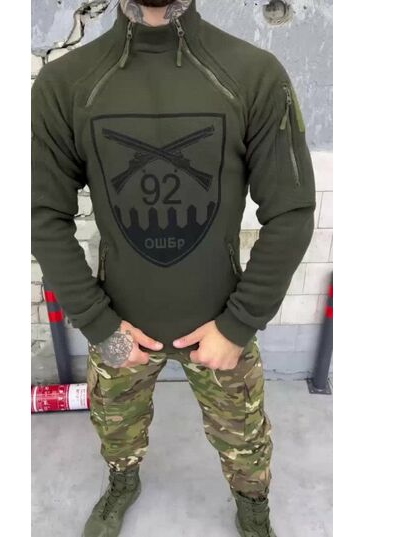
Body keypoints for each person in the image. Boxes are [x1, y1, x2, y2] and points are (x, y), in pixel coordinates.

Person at [31, 0, 316, 535]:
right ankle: (123, 482)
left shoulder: (254, 74)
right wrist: (99, 325)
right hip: (118, 327)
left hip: (221, 327)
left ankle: (253, 507)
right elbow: (42, 216)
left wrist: (238, 324)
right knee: (116, 431)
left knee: (245, 440)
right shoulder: (65, 83)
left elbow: (293, 212)